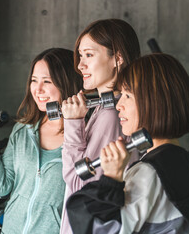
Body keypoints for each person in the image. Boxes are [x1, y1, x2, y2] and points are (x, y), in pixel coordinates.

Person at [66, 53, 189, 234]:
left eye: (128, 96)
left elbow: (98, 229)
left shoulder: (149, 173)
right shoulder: (177, 158)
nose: (119, 105)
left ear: (154, 101)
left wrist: (111, 179)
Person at [0, 48, 83, 234]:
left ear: (66, 83)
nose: (38, 89)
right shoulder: (23, 129)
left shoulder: (80, 137)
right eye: (34, 80)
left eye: (47, 81)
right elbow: (2, 187)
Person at [59, 19, 141, 234]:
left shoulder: (112, 115)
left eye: (89, 54)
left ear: (118, 58)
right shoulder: (106, 108)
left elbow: (80, 185)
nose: (80, 65)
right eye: (80, 55)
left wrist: (73, 123)